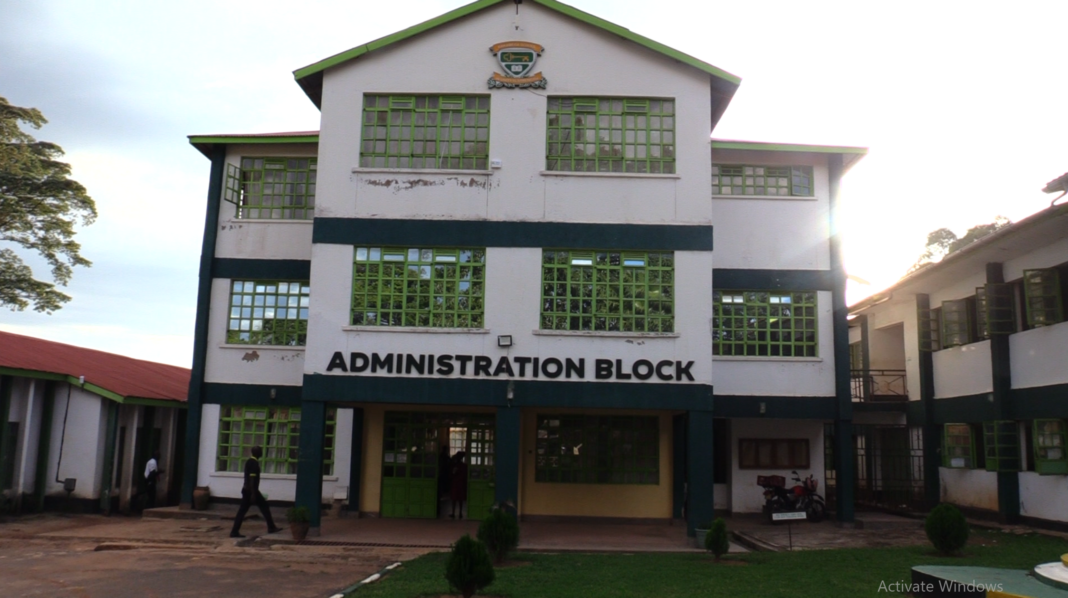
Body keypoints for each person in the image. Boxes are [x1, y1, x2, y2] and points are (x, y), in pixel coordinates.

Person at [230, 446, 282, 538]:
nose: (262, 452)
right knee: (248, 510)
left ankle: (271, 526)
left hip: (248, 490)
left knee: (261, 507)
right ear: (257, 453)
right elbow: (252, 479)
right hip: (251, 491)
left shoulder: (249, 461)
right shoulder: (254, 463)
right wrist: (253, 494)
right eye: (261, 451)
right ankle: (234, 531)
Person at [449, 451, 468, 519]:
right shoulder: (464, 466)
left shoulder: (455, 465)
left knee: (454, 498)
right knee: (460, 499)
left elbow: (452, 474)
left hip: (456, 483)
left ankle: (454, 512)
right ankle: (460, 512)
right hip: (461, 483)